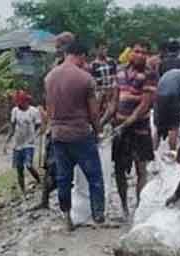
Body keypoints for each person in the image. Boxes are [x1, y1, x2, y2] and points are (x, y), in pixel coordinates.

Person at [44, 40, 106, 230]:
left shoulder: (49, 77)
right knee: (94, 176)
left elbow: (49, 107)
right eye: (84, 59)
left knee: (64, 178)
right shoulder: (85, 79)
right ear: (81, 55)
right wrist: (99, 132)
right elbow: (94, 113)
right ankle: (98, 215)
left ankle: (67, 217)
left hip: (58, 135)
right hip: (80, 134)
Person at [102, 41, 158, 219]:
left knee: (141, 168)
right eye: (137, 51)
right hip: (119, 128)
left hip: (139, 128)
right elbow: (113, 102)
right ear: (130, 53)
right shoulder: (119, 72)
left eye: (144, 52)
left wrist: (126, 124)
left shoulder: (150, 75)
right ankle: (125, 207)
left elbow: (145, 105)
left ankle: (139, 208)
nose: (140, 55)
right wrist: (101, 122)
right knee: (119, 169)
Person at [4, 91, 44, 196]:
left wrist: (34, 136)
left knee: (29, 165)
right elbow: (12, 127)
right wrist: (7, 142)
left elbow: (39, 126)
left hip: (29, 143)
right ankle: (23, 191)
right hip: (17, 144)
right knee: (19, 169)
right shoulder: (15, 111)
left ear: (26, 101)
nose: (19, 104)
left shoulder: (34, 111)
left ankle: (39, 181)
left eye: (21, 102)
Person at [91, 45, 117, 117]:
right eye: (102, 49)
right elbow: (94, 81)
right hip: (100, 92)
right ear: (96, 50)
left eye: (106, 48)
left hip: (112, 91)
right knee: (98, 110)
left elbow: (115, 76)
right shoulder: (93, 65)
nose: (105, 51)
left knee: (112, 110)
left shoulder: (112, 61)